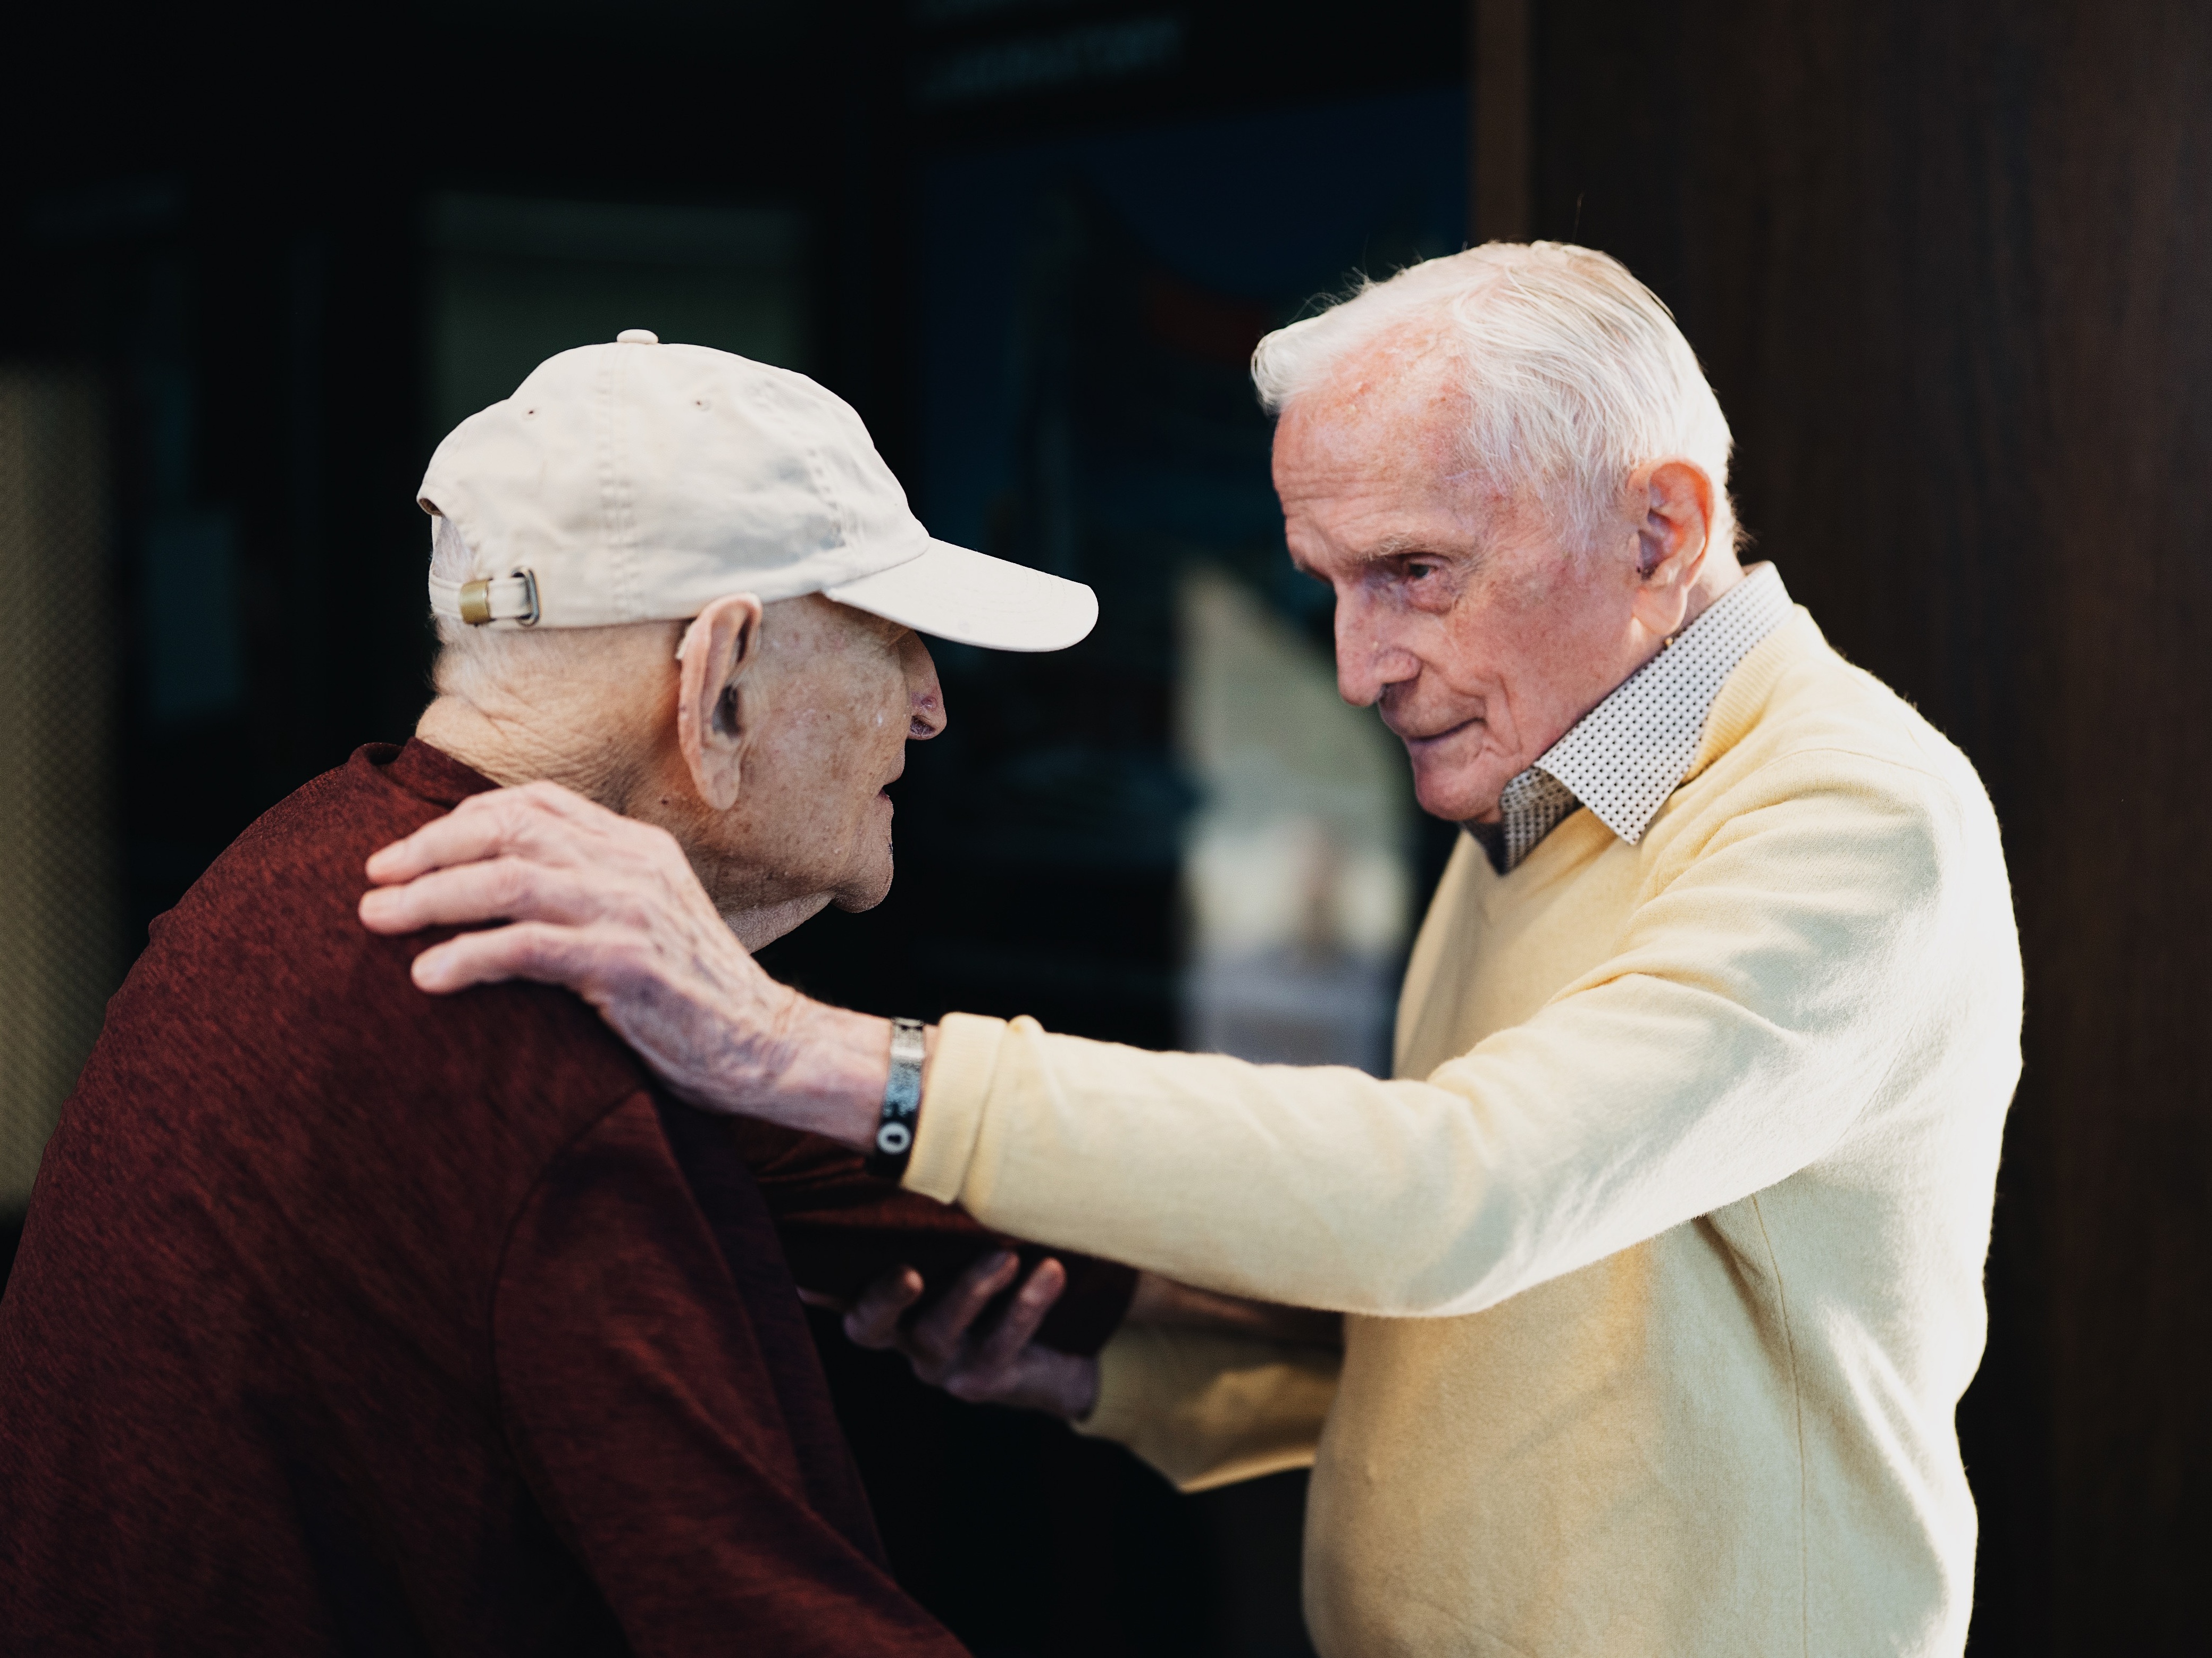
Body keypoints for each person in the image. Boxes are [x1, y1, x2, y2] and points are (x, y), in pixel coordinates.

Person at [363, 246, 2026, 1657]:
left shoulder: (1857, 816)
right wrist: (1122, 1366)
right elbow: (1537, 1327)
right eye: (1327, 582)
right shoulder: (1554, 773)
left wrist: (795, 1049)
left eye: (1414, 575)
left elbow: (1465, 1196)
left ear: (1663, 528)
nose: (1360, 664)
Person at [0, 335, 1169, 1653]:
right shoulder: (525, 1045)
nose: (931, 704)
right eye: (892, 637)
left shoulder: (315, 866)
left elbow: (996, 1211)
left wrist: (1196, 1335)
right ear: (717, 680)